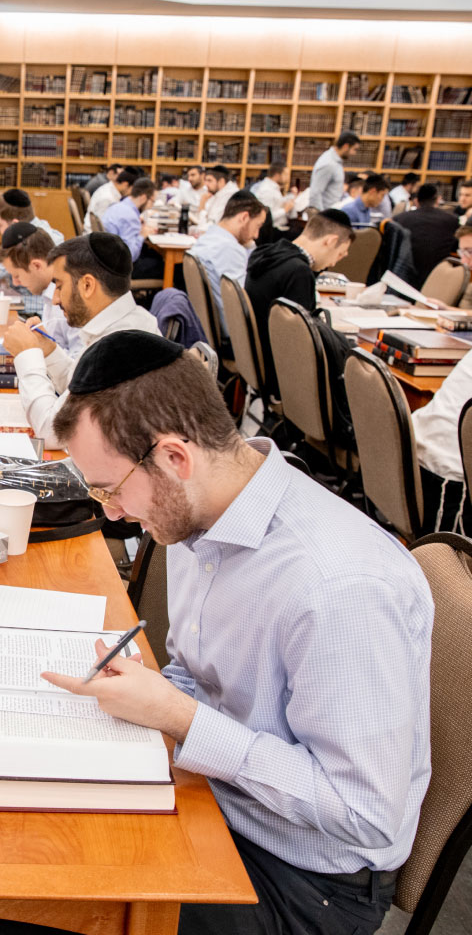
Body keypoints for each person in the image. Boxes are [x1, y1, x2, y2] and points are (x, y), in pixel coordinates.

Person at [45, 329, 432, 935]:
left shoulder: (338, 586)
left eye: (111, 490)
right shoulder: (196, 510)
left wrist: (181, 719)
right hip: (221, 796)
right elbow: (200, 674)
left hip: (304, 880)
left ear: (175, 457)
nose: (111, 513)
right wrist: (155, 691)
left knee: (41, 897)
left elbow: (365, 814)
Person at [0, 232, 159, 442]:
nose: (55, 299)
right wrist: (49, 351)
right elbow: (81, 389)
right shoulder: (130, 321)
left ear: (87, 285)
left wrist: (27, 355)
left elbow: (53, 431)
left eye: (59, 286)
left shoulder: (119, 343)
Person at [244, 209, 354, 394]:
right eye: (340, 254)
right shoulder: (298, 272)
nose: (334, 263)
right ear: (331, 241)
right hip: (283, 377)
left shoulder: (268, 254)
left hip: (257, 360)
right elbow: (303, 343)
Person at [189, 190, 266, 334]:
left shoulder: (208, 238)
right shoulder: (229, 249)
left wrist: (249, 246)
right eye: (257, 226)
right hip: (233, 336)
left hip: (207, 329)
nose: (256, 235)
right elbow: (243, 303)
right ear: (244, 217)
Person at [0, 221, 76, 350]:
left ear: (36, 265)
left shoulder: (71, 299)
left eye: (17, 275)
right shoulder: (48, 291)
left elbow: (78, 364)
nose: (15, 283)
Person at [393, 183, 459, 282]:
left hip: (403, 276)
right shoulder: (452, 220)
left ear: (416, 201)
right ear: (437, 200)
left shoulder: (400, 218)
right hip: (438, 277)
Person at [100, 176, 162, 278]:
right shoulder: (130, 216)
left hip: (108, 260)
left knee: (152, 254)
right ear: (143, 197)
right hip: (121, 268)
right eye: (152, 201)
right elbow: (131, 256)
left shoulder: (118, 206)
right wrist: (142, 235)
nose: (151, 206)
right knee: (166, 266)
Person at [308, 131, 360, 212]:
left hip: (331, 213)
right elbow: (315, 193)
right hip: (324, 215)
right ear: (346, 146)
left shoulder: (336, 162)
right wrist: (322, 217)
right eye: (354, 149)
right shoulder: (329, 163)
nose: (354, 153)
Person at [249, 162, 295, 230]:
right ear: (277, 175)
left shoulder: (272, 188)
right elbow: (266, 217)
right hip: (272, 230)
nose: (288, 178)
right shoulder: (267, 190)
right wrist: (285, 210)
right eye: (286, 174)